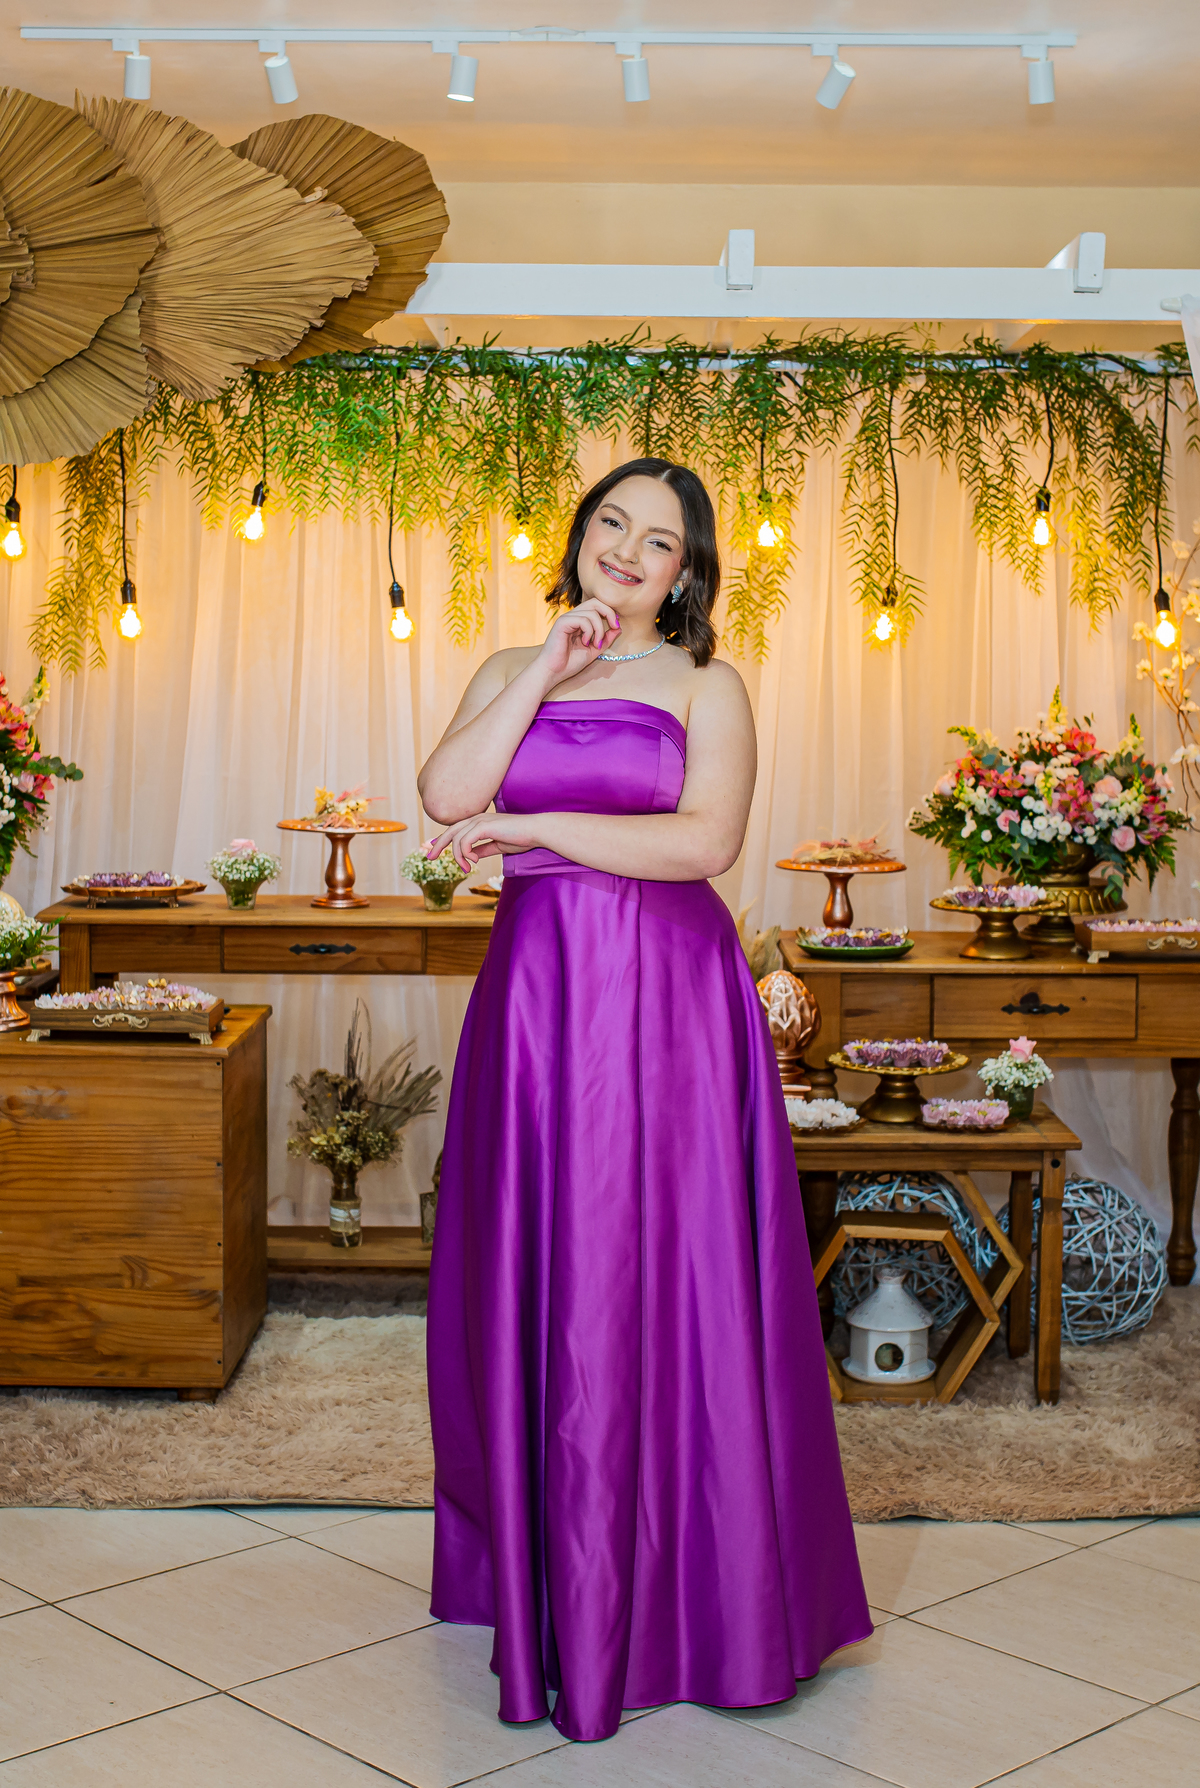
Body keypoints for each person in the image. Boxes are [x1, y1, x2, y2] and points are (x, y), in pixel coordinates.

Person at [419, 457, 870, 1743]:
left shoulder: (709, 684)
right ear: (579, 535)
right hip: (540, 1002)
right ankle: (552, 1583)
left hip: (669, 1001)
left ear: (686, 572)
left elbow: (704, 845)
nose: (626, 549)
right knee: (542, 1266)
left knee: (671, 1272)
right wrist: (548, 671)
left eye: (658, 540)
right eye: (611, 522)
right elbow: (448, 797)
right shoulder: (513, 667)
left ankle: (700, 1592)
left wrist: (535, 832)